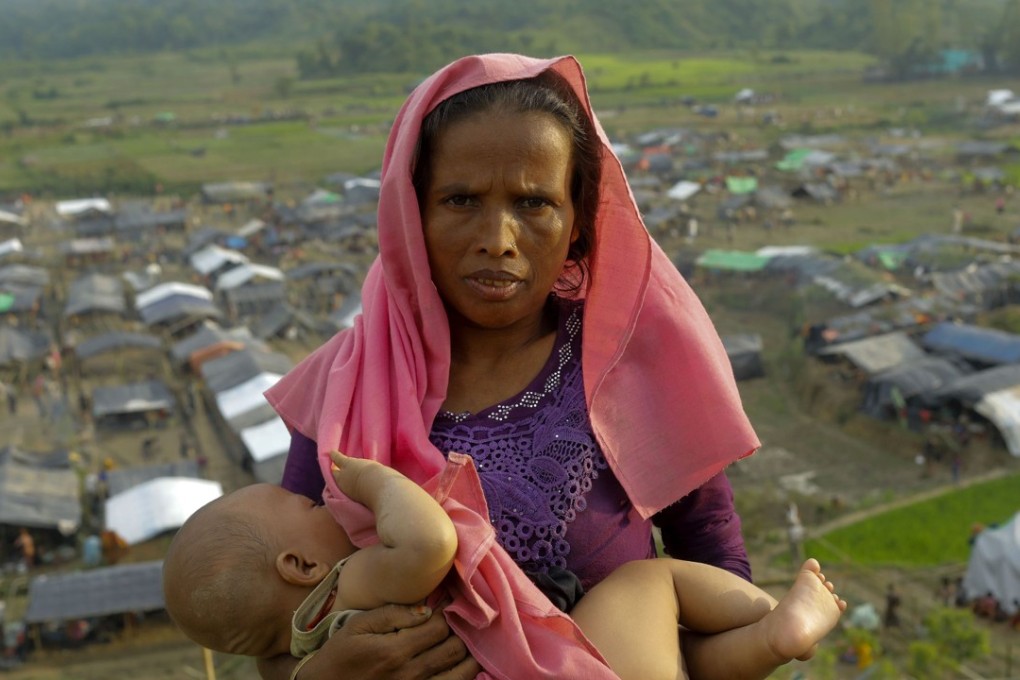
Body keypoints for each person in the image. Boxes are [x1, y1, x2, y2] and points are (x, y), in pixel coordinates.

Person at [259, 54, 761, 680]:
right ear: (410, 213)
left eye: (533, 203)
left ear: (579, 223)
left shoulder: (629, 372)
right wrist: (326, 673)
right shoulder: (344, 391)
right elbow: (274, 627)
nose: (498, 236)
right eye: (461, 199)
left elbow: (717, 576)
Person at [164, 451, 845, 680]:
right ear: (299, 564)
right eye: (303, 502)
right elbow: (429, 546)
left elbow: (702, 512)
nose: (321, 498)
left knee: (682, 656)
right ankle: (773, 626)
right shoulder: (348, 587)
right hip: (557, 669)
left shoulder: (308, 643)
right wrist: (378, 483)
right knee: (650, 581)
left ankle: (775, 636)